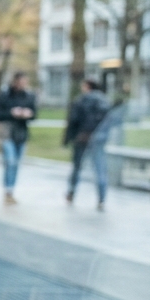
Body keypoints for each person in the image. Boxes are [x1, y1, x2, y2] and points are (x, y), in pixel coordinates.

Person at [64, 78, 112, 210]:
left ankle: (71, 192)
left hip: (82, 137)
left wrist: (68, 138)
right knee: (100, 168)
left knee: (77, 167)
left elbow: (73, 120)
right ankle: (102, 198)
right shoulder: (105, 101)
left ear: (88, 86)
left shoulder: (81, 100)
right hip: (99, 139)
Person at [0, 71, 37, 204]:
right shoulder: (4, 96)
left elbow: (34, 114)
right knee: (10, 161)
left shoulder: (29, 96)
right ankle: (8, 191)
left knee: (16, 163)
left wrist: (28, 114)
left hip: (21, 133)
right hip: (6, 133)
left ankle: (11, 190)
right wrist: (11, 113)